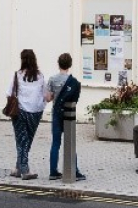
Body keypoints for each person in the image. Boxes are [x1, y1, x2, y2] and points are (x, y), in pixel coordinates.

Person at [46, 53, 85, 181]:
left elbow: (48, 98)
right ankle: (75, 170)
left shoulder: (52, 79)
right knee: (70, 142)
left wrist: (55, 97)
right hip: (69, 115)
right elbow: (75, 100)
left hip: (56, 114)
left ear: (58, 64)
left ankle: (53, 171)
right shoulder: (74, 83)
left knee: (55, 143)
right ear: (70, 65)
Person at [8, 49, 46, 180]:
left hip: (20, 111)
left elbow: (9, 93)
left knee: (21, 140)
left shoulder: (17, 75)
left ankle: (23, 170)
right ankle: (20, 168)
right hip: (36, 112)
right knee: (27, 140)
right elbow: (45, 95)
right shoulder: (40, 76)